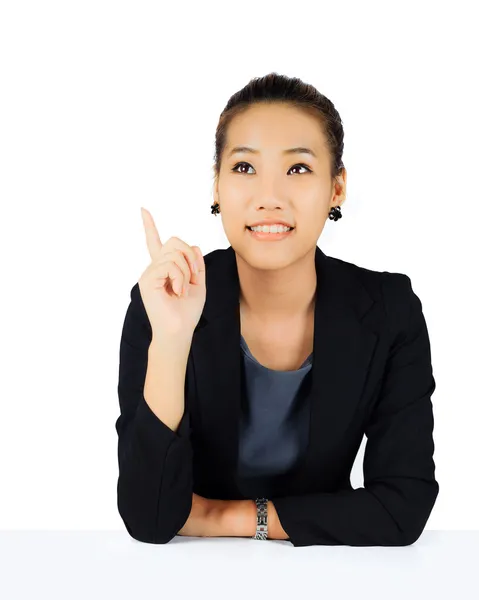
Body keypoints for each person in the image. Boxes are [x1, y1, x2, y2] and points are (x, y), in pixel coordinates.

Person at [115, 72, 439, 547]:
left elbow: (402, 508)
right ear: (217, 188)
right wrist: (171, 340)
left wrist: (228, 519)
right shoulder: (165, 300)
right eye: (244, 168)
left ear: (337, 188)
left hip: (336, 580)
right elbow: (150, 517)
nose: (269, 198)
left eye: (299, 169)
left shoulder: (390, 312)